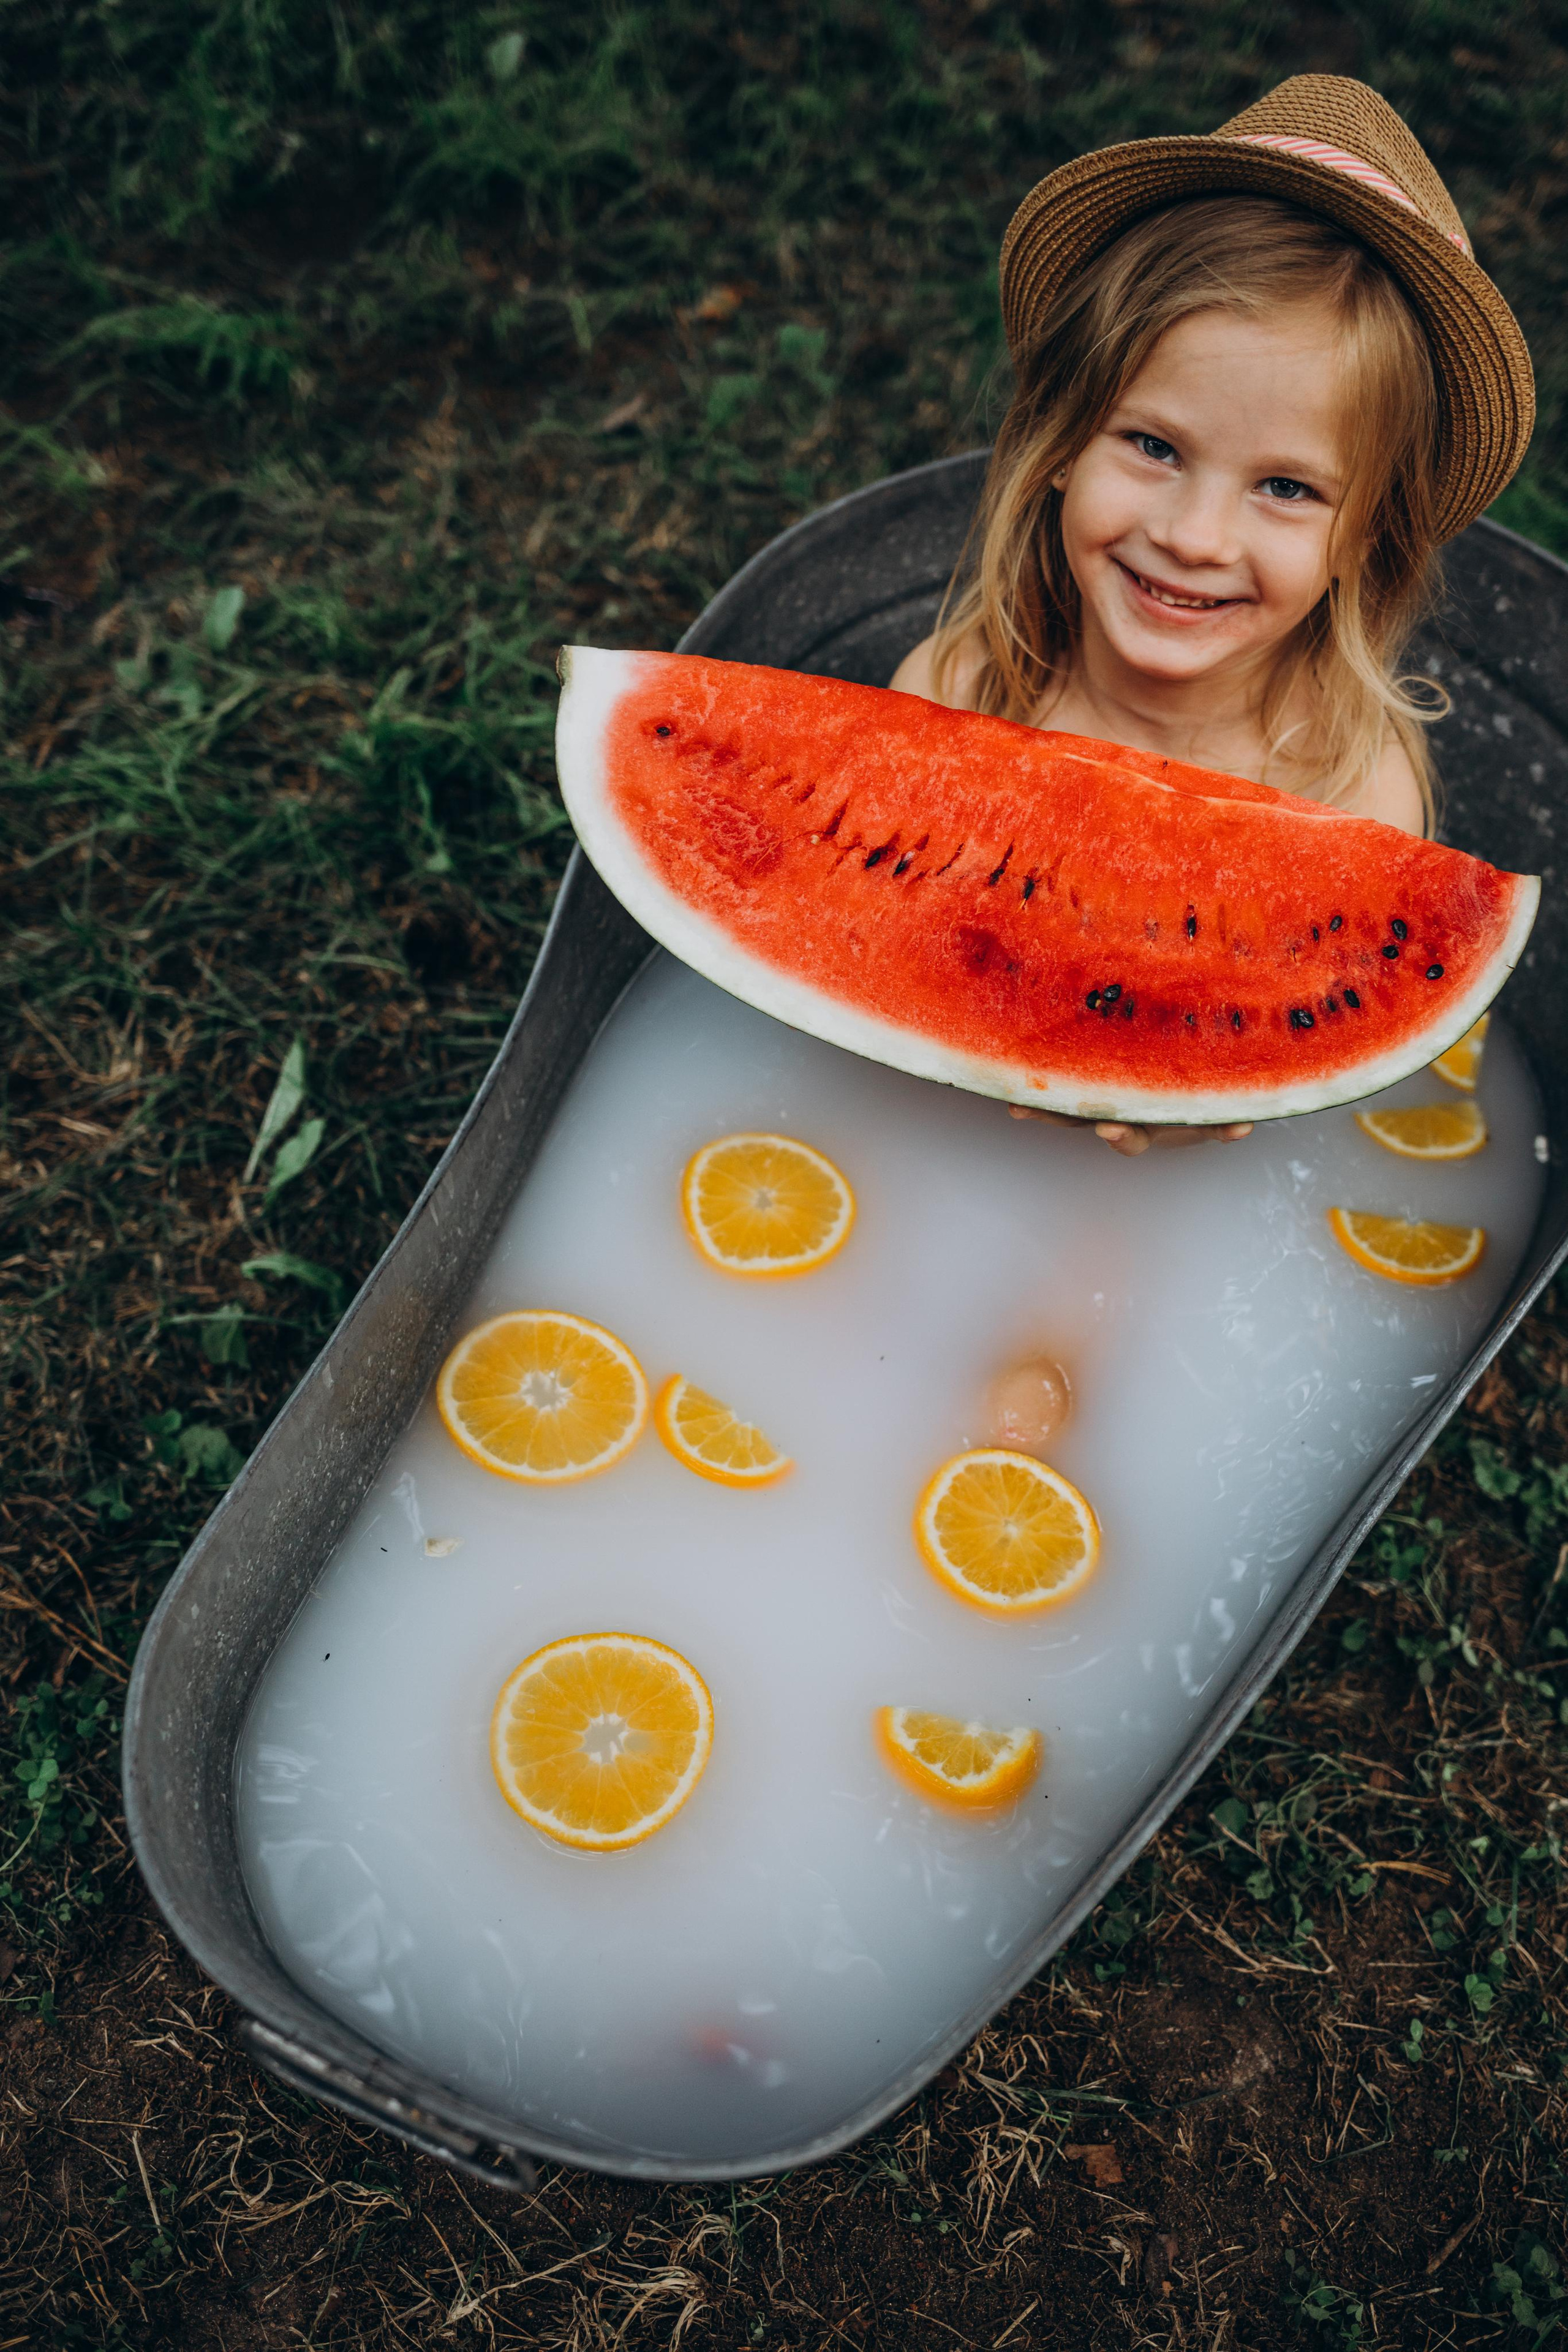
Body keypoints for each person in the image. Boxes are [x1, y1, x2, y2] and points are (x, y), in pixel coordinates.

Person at [892, 75, 1534, 1155]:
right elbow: (879, 945)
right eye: (1153, 447)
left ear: (1366, 538)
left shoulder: (1357, 793)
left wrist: (1196, 1100)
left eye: (1286, 488)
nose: (1195, 536)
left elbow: (1301, 1046)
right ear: (1058, 445)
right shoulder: (959, 695)